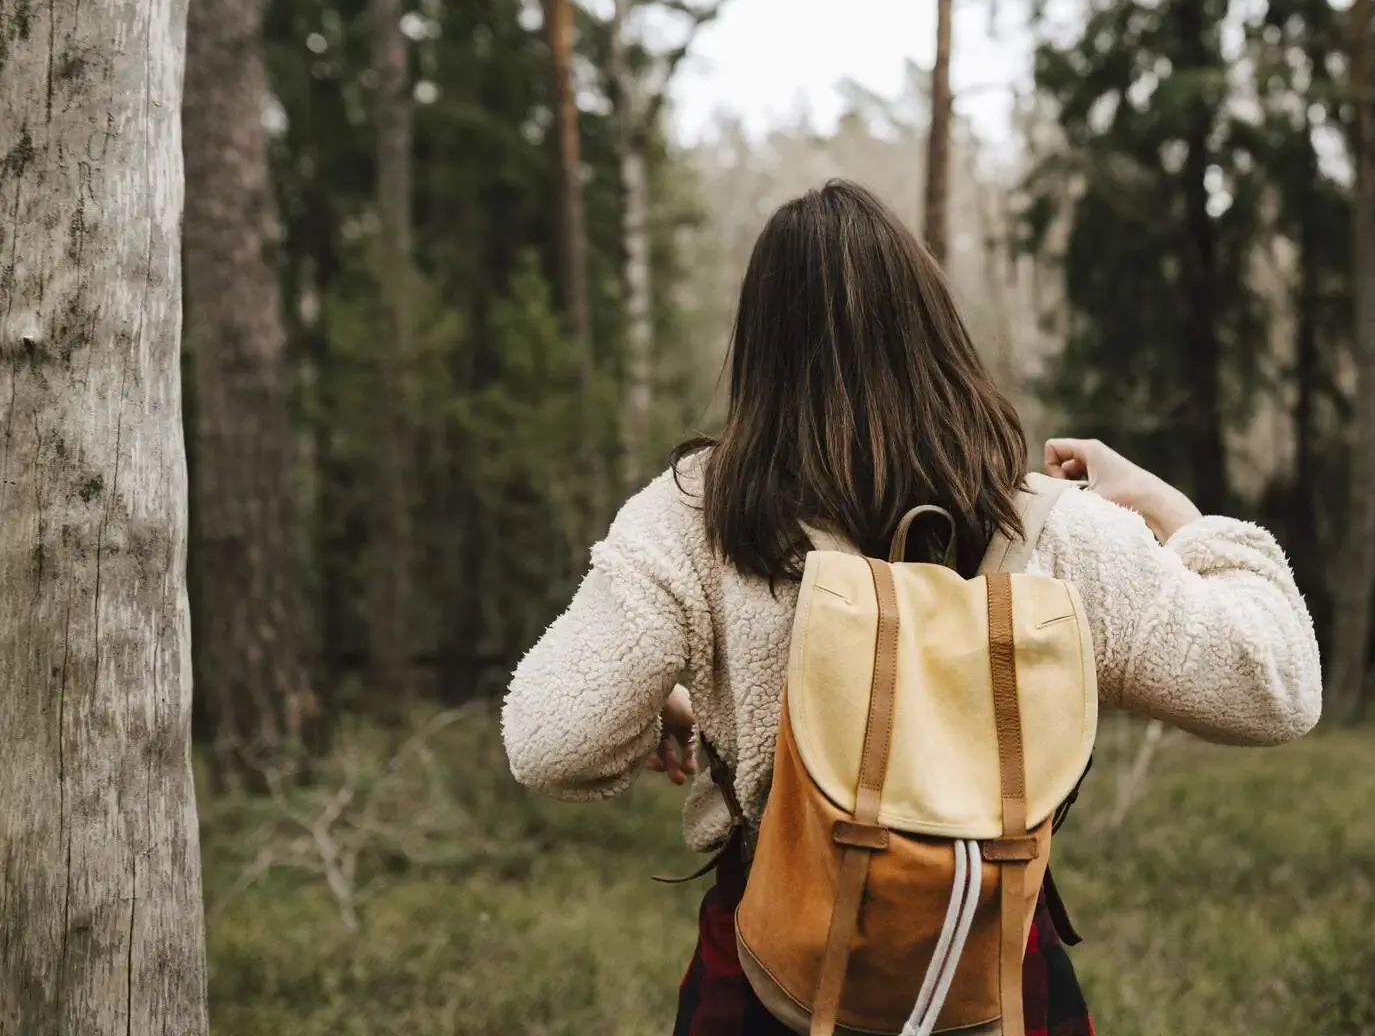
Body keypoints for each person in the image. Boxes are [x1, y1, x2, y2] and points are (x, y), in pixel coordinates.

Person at [501, 180, 1322, 1035]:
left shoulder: (695, 513)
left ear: (760, 349)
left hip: (773, 984)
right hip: (995, 978)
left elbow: (549, 740)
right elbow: (1277, 690)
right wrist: (1175, 514)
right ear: (936, 331)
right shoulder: (1058, 531)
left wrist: (670, 708)